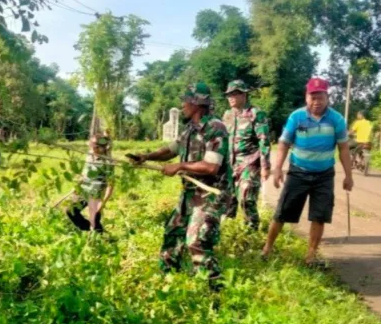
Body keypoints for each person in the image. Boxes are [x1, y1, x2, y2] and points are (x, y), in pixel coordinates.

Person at [127, 82, 232, 288]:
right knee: (173, 232)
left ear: (197, 103)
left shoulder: (215, 128)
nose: (182, 104)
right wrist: (145, 156)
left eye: (186, 100)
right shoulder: (189, 129)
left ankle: (215, 289)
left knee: (196, 241)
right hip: (190, 192)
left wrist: (180, 166)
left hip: (211, 194)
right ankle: (168, 279)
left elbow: (211, 167)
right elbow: (171, 150)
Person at [261, 77, 354, 267]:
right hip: (298, 172)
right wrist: (278, 168)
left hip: (324, 175)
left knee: (319, 216)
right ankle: (267, 249)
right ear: (306, 97)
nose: (316, 102)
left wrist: (348, 175)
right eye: (313, 97)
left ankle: (311, 255)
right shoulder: (296, 117)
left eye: (320, 97)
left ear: (327, 97)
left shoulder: (336, 119)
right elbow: (284, 143)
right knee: (282, 212)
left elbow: (343, 148)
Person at [221, 79, 271, 230]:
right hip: (231, 164)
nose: (231, 97)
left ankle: (252, 229)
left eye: (234, 94)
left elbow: (264, 140)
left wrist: (265, 166)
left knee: (246, 197)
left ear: (244, 95)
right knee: (228, 199)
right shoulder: (227, 115)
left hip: (250, 162)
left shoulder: (255, 113)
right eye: (229, 95)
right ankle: (229, 232)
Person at [66, 135, 115, 234]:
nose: (92, 148)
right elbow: (84, 175)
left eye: (94, 146)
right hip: (83, 191)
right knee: (71, 211)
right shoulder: (89, 156)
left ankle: (100, 237)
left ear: (101, 147)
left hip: (96, 194)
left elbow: (111, 185)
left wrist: (103, 203)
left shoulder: (108, 162)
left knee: (95, 219)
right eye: (91, 145)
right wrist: (76, 188)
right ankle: (89, 230)